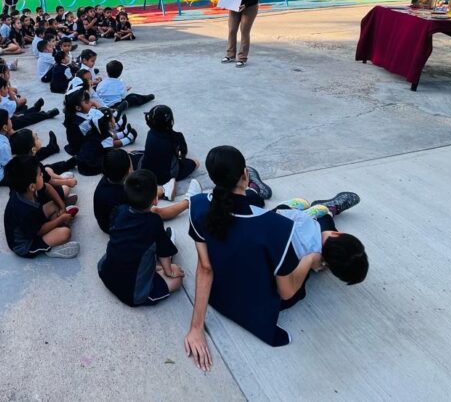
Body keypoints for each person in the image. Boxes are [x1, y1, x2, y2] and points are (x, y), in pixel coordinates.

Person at [184, 146, 320, 369]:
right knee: (311, 237)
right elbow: (286, 292)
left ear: (212, 177)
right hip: (258, 305)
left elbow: (205, 268)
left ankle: (264, 196)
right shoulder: (276, 227)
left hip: (221, 298)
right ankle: (322, 215)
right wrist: (310, 260)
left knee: (259, 210)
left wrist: (196, 328)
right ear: (244, 175)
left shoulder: (197, 206)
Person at [97, 169, 183, 307]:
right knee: (177, 280)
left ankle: (154, 266)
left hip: (105, 271)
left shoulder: (119, 210)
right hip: (132, 293)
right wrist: (170, 271)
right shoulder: (154, 222)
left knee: (132, 246)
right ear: (155, 200)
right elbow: (164, 254)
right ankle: (156, 268)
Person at [94, 149, 200, 234]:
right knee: (156, 212)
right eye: (131, 165)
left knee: (142, 191)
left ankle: (163, 190)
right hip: (119, 227)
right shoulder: (122, 195)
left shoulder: (108, 178)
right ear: (127, 172)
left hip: (105, 222)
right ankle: (189, 201)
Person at [2, 155, 80, 259]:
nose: (42, 175)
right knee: (65, 233)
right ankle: (50, 249)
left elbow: (47, 187)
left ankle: (61, 215)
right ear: (32, 186)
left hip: (33, 223)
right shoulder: (24, 210)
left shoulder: (24, 190)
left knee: (53, 205)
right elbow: (39, 231)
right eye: (40, 175)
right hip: (27, 244)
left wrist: (62, 207)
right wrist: (60, 219)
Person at [141, 105, 198, 198]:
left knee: (141, 154)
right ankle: (170, 182)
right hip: (166, 176)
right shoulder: (176, 137)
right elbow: (182, 154)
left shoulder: (150, 133)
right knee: (196, 162)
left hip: (147, 172)